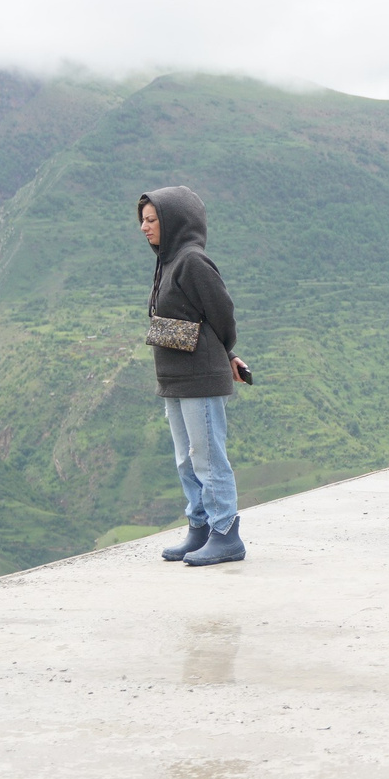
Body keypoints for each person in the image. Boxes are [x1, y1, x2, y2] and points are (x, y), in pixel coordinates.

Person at [139, 186, 247, 565]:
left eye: (152, 220)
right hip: (174, 378)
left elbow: (222, 314)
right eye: (142, 220)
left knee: (207, 457)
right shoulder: (167, 262)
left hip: (200, 376)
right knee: (185, 459)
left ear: (174, 221)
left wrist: (225, 352)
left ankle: (225, 533)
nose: (144, 227)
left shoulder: (192, 262)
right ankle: (199, 527)